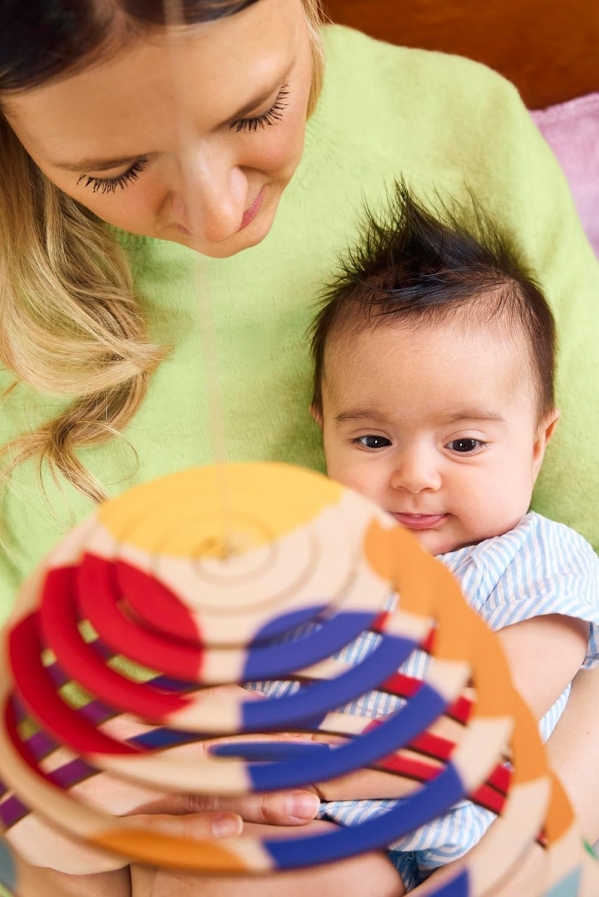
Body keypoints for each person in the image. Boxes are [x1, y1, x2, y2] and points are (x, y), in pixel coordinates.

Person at [0, 1, 599, 895]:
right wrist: (70, 823)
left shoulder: (531, 559)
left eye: (256, 112)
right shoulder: (309, 561)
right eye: (114, 169)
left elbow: (514, 706)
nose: (217, 214)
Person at [307, 182, 599, 889]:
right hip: (323, 835)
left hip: (478, 836)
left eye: (463, 444)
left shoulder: (538, 559)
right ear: (323, 431)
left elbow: (487, 720)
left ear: (537, 444)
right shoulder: (307, 558)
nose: (414, 476)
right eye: (373, 440)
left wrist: (320, 775)